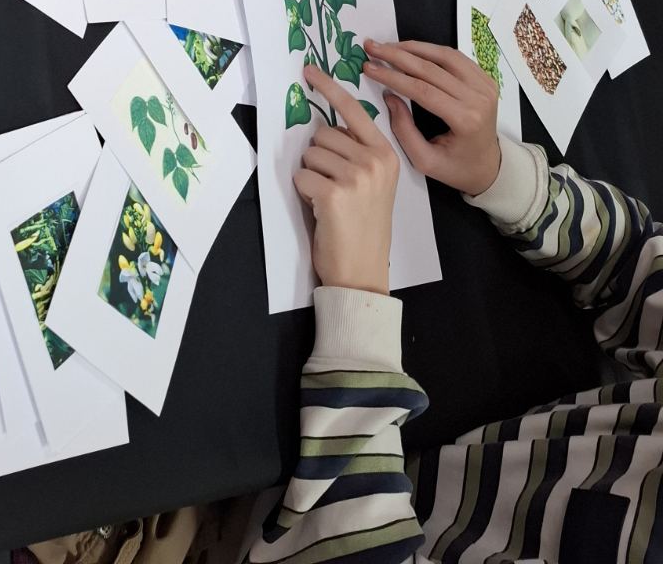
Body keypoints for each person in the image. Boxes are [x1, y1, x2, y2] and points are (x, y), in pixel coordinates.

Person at [246, 44, 663, 561]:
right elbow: (635, 258)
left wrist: (359, 305)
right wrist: (506, 179)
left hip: (295, 511)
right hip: (441, 444)